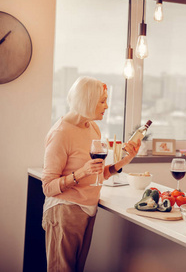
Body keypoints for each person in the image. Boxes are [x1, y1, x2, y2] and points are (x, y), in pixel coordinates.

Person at [41, 76, 140, 271]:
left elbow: (98, 174)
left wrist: (127, 159)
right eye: (102, 101)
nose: (107, 106)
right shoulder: (61, 133)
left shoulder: (92, 127)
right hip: (65, 210)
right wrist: (80, 173)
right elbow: (48, 187)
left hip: (87, 209)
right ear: (87, 101)